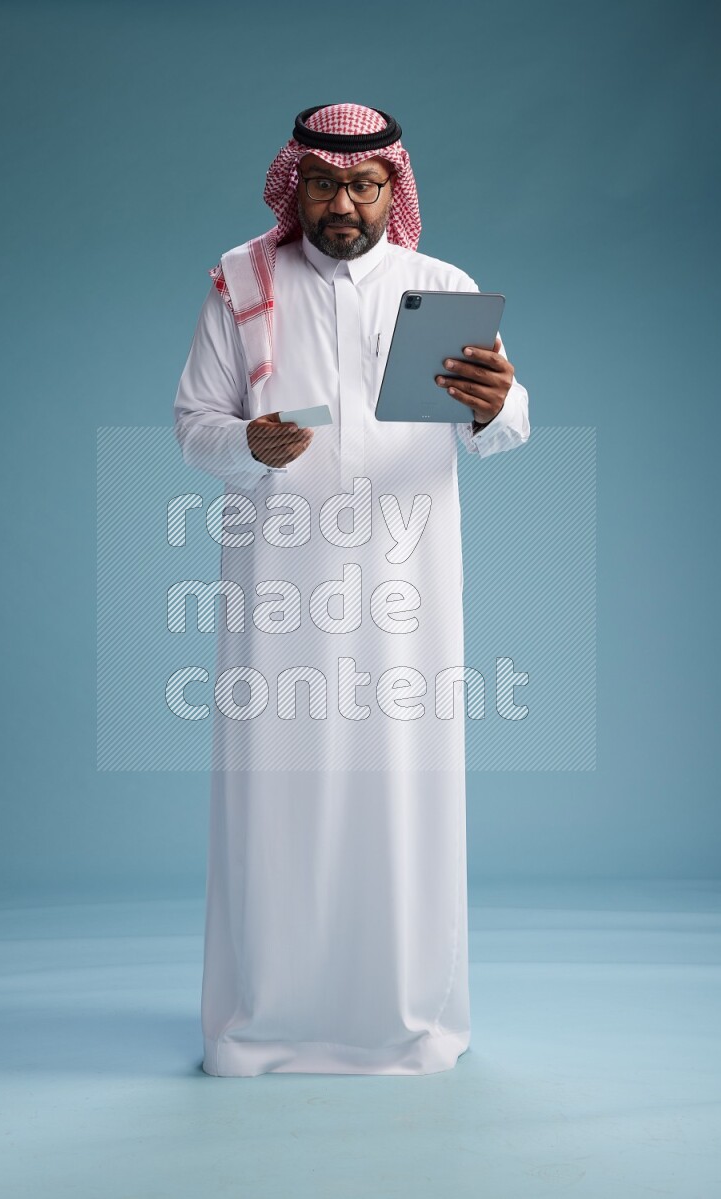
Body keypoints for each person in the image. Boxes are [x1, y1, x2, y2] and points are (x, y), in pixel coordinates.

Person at [173, 103, 530, 1077]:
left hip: (405, 592)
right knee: (272, 795)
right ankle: (260, 1023)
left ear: (391, 189)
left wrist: (501, 407)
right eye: (326, 183)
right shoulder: (242, 281)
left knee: (402, 793)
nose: (344, 202)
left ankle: (402, 1024)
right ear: (298, 183)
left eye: (365, 184)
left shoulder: (439, 287)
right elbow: (193, 421)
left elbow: (501, 420)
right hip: (278, 590)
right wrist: (246, 442)